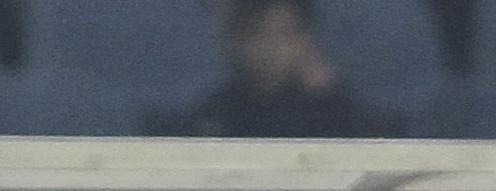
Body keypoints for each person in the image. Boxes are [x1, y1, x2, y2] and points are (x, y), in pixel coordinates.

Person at [154, 0, 408, 138]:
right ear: (236, 41)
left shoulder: (332, 111)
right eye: (258, 34)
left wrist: (331, 92)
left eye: (283, 34)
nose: (270, 48)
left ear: (304, 41)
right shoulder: (215, 115)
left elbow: (388, 145)